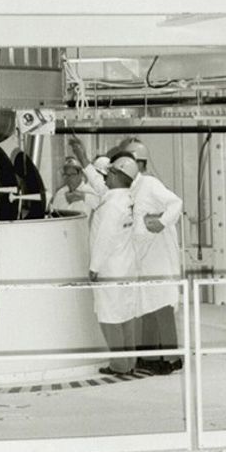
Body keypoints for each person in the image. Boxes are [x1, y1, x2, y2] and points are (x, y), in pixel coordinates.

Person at [115, 138, 185, 375]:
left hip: (160, 256)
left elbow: (176, 203)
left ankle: (172, 358)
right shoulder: (131, 190)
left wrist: (162, 222)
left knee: (162, 306)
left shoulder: (150, 184)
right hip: (143, 258)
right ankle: (149, 356)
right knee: (146, 306)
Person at [87, 155, 147, 379]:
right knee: (126, 316)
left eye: (109, 173)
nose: (106, 177)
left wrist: (94, 267)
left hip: (110, 268)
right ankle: (129, 362)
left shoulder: (112, 204)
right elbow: (100, 187)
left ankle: (120, 365)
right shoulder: (126, 198)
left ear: (116, 176)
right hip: (127, 266)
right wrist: (85, 162)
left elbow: (105, 238)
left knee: (110, 317)